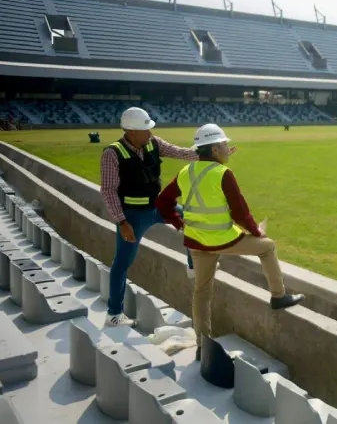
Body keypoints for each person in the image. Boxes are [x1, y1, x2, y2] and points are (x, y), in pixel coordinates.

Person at [155, 123, 304, 360]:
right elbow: (240, 212)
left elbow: (163, 202)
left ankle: (203, 346)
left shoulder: (187, 171)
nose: (227, 147)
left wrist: (180, 224)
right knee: (267, 247)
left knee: (202, 292)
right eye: (224, 144)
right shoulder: (223, 174)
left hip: (196, 242)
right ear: (214, 149)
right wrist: (257, 231)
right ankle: (279, 296)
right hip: (222, 240)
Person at [100, 107, 232, 327]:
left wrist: (212, 155)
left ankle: (192, 266)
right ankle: (114, 314)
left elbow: (181, 153)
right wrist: (121, 222)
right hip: (131, 216)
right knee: (122, 263)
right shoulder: (112, 154)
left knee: (190, 220)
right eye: (146, 130)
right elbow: (108, 190)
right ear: (132, 132)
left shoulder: (153, 143)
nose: (150, 134)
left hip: (158, 207)